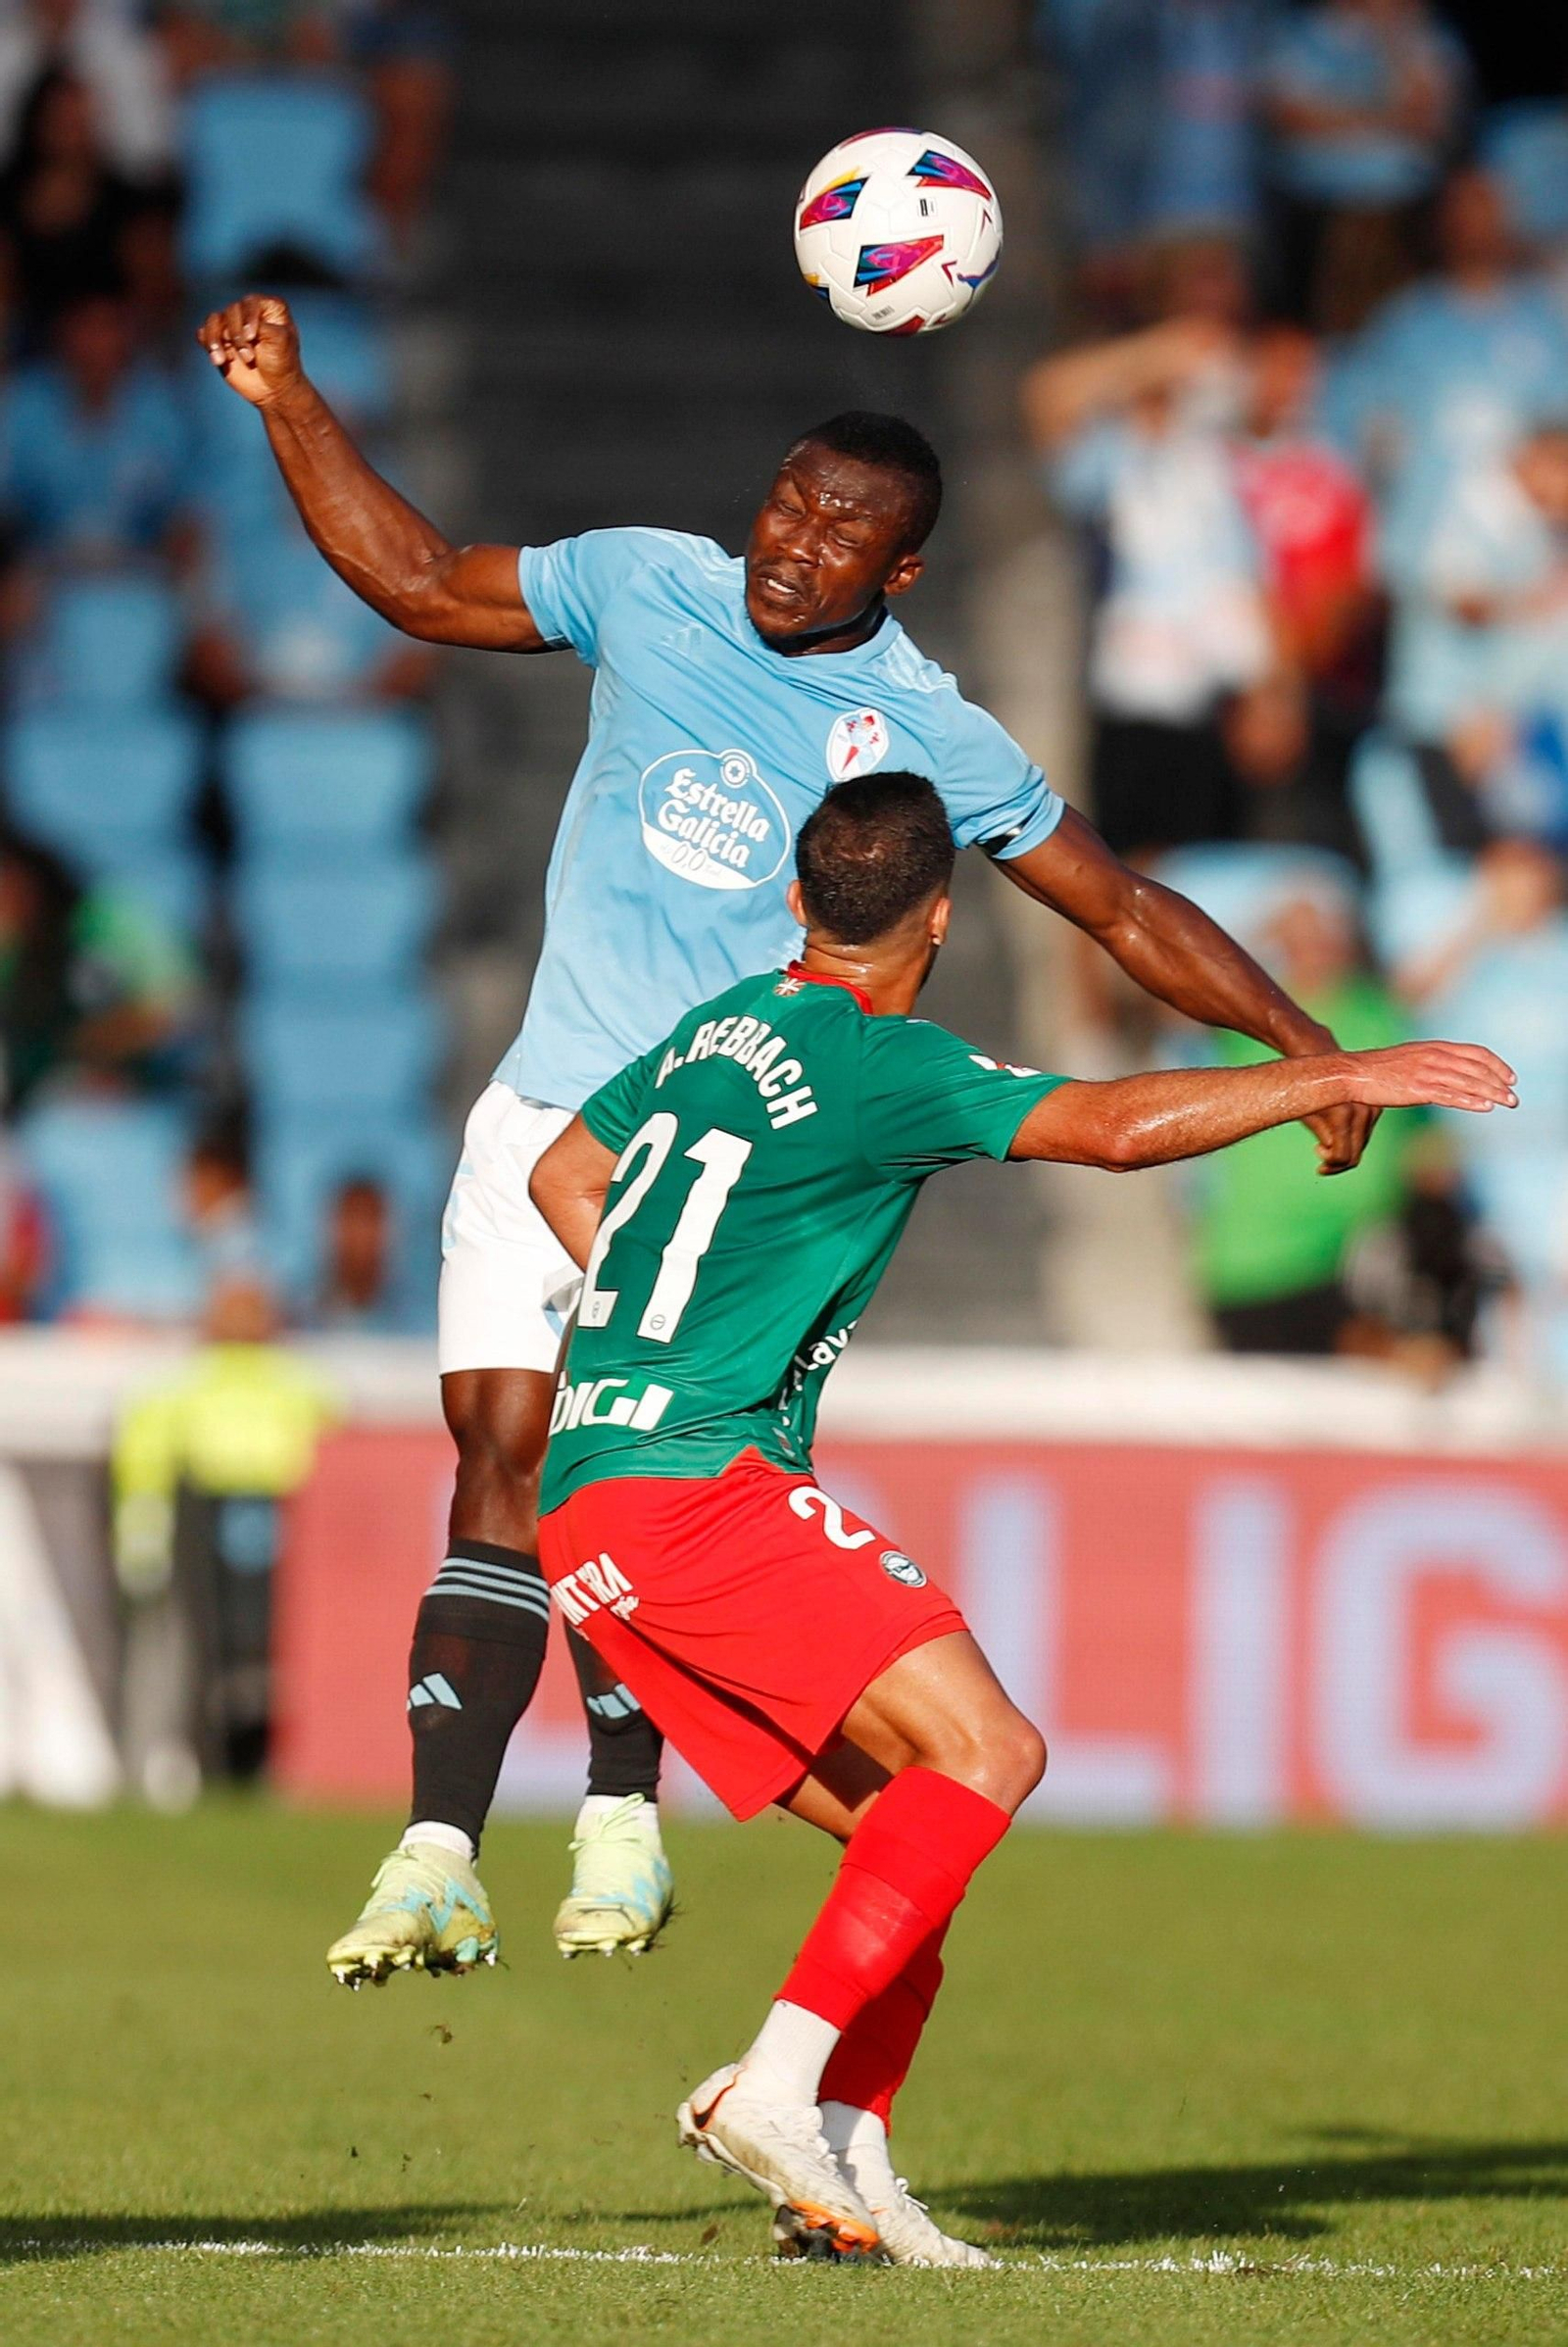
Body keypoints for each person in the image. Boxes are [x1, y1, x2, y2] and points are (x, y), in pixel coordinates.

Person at [196, 289, 1382, 1982]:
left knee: (629, 1470)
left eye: (846, 532)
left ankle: (620, 1806)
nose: (798, 544)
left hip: (730, 1155)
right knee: (499, 1462)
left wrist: (1304, 1043)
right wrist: (290, 399)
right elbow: (414, 578)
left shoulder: (930, 734)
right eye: (791, 502)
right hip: (548, 1108)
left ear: (900, 572)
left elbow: (1115, 905)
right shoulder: (643, 580)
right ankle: (438, 1855)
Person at [526, 772, 1515, 2266]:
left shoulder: (712, 1030)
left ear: (798, 903)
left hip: (585, 1506)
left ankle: (843, 2170)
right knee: (995, 1751)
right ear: (938, 914)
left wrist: (672, 1323)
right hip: (693, 1483)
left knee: (909, 1836)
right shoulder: (879, 1059)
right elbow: (1111, 1127)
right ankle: (778, 2091)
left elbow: (562, 1171)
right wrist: (1327, 1074)